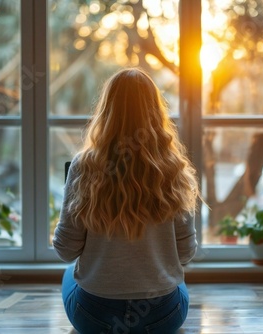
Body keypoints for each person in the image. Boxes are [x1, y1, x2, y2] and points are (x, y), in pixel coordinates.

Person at [53, 67, 200, 334]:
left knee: (70, 274)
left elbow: (66, 250)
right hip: (162, 316)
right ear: (156, 112)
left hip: (95, 316)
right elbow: (186, 253)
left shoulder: (85, 167)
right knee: (176, 282)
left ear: (106, 111)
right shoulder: (173, 169)